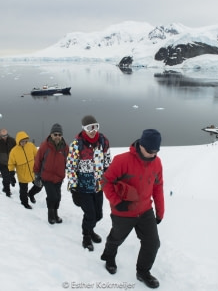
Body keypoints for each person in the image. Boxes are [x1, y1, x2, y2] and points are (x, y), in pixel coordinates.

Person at [100, 129, 164, 289]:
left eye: (156, 151)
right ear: (141, 145)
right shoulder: (122, 160)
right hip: (123, 210)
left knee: (153, 243)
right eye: (149, 150)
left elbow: (158, 187)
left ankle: (143, 272)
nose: (152, 154)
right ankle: (109, 257)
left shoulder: (157, 162)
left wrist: (160, 210)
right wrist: (116, 201)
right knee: (116, 238)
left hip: (145, 210)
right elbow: (106, 181)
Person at [66, 115, 111, 251]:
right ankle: (86, 236)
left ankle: (90, 230)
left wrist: (108, 178)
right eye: (89, 128)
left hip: (98, 186)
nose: (92, 130)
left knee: (98, 215)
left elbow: (107, 161)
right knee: (90, 215)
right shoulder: (77, 144)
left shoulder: (103, 141)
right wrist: (73, 187)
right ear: (84, 129)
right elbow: (71, 167)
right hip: (83, 188)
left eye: (95, 127)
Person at [34, 123, 68, 224]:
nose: (57, 136)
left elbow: (68, 161)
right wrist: (37, 175)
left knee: (58, 197)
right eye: (55, 134)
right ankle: (50, 214)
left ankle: (56, 213)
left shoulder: (65, 147)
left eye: (59, 135)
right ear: (51, 135)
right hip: (47, 177)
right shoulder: (45, 146)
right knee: (52, 196)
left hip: (59, 177)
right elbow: (38, 160)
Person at [8, 131, 38, 209]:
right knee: (23, 191)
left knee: (39, 185)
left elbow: (37, 156)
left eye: (25, 141)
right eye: (22, 141)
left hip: (33, 172)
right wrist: (11, 175)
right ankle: (24, 203)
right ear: (18, 141)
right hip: (22, 174)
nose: (24, 143)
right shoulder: (14, 151)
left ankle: (31, 194)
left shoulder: (31, 146)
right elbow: (11, 164)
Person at [0, 129, 17, 197]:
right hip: (2, 163)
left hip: (11, 163)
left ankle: (5, 187)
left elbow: (17, 149)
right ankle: (7, 191)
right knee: (6, 177)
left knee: (10, 176)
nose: (4, 137)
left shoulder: (12, 140)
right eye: (3, 136)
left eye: (6, 135)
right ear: (0, 135)